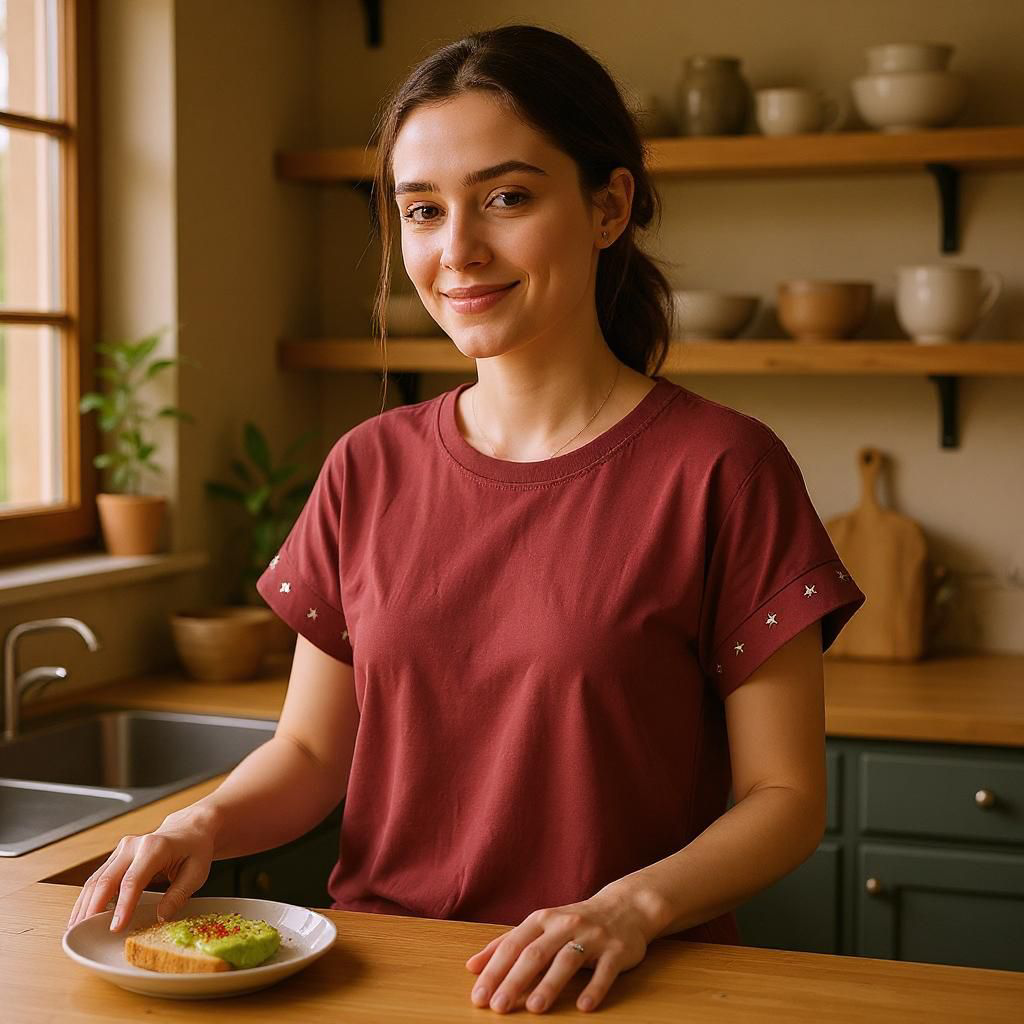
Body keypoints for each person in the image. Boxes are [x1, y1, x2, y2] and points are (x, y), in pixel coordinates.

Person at [67, 23, 865, 1016]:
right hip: (385, 976)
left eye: (506, 197)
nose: (457, 251)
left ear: (609, 206)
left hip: (618, 981)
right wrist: (203, 824)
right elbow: (311, 754)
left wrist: (627, 909)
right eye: (422, 210)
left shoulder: (724, 469)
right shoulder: (367, 466)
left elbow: (785, 799)